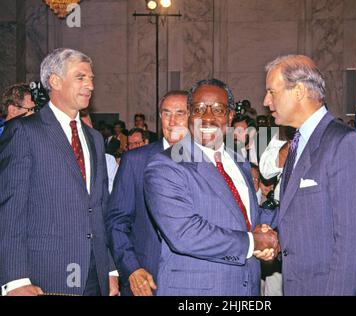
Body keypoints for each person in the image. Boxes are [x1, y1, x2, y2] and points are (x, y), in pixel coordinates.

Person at [143, 78, 278, 296]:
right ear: (189, 115)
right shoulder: (166, 165)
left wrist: (274, 229)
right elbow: (185, 234)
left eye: (217, 109)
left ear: (230, 116)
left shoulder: (239, 163)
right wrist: (254, 242)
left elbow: (246, 218)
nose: (207, 118)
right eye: (198, 109)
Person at [0, 48, 117, 296]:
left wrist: (110, 269)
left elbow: (99, 208)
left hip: (95, 274)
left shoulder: (95, 138)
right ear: (54, 80)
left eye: (91, 78)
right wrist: (14, 279)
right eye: (81, 77)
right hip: (44, 275)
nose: (90, 85)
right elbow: (10, 211)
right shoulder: (24, 131)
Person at [263, 54, 356, 295]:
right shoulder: (298, 142)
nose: (266, 101)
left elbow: (354, 241)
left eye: (272, 92)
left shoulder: (345, 143)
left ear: (299, 91)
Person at [105, 90, 190, 296]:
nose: (172, 121)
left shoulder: (208, 161)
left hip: (195, 281)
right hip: (146, 279)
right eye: (166, 113)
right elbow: (117, 221)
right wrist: (132, 268)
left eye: (180, 113)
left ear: (192, 116)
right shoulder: (136, 161)